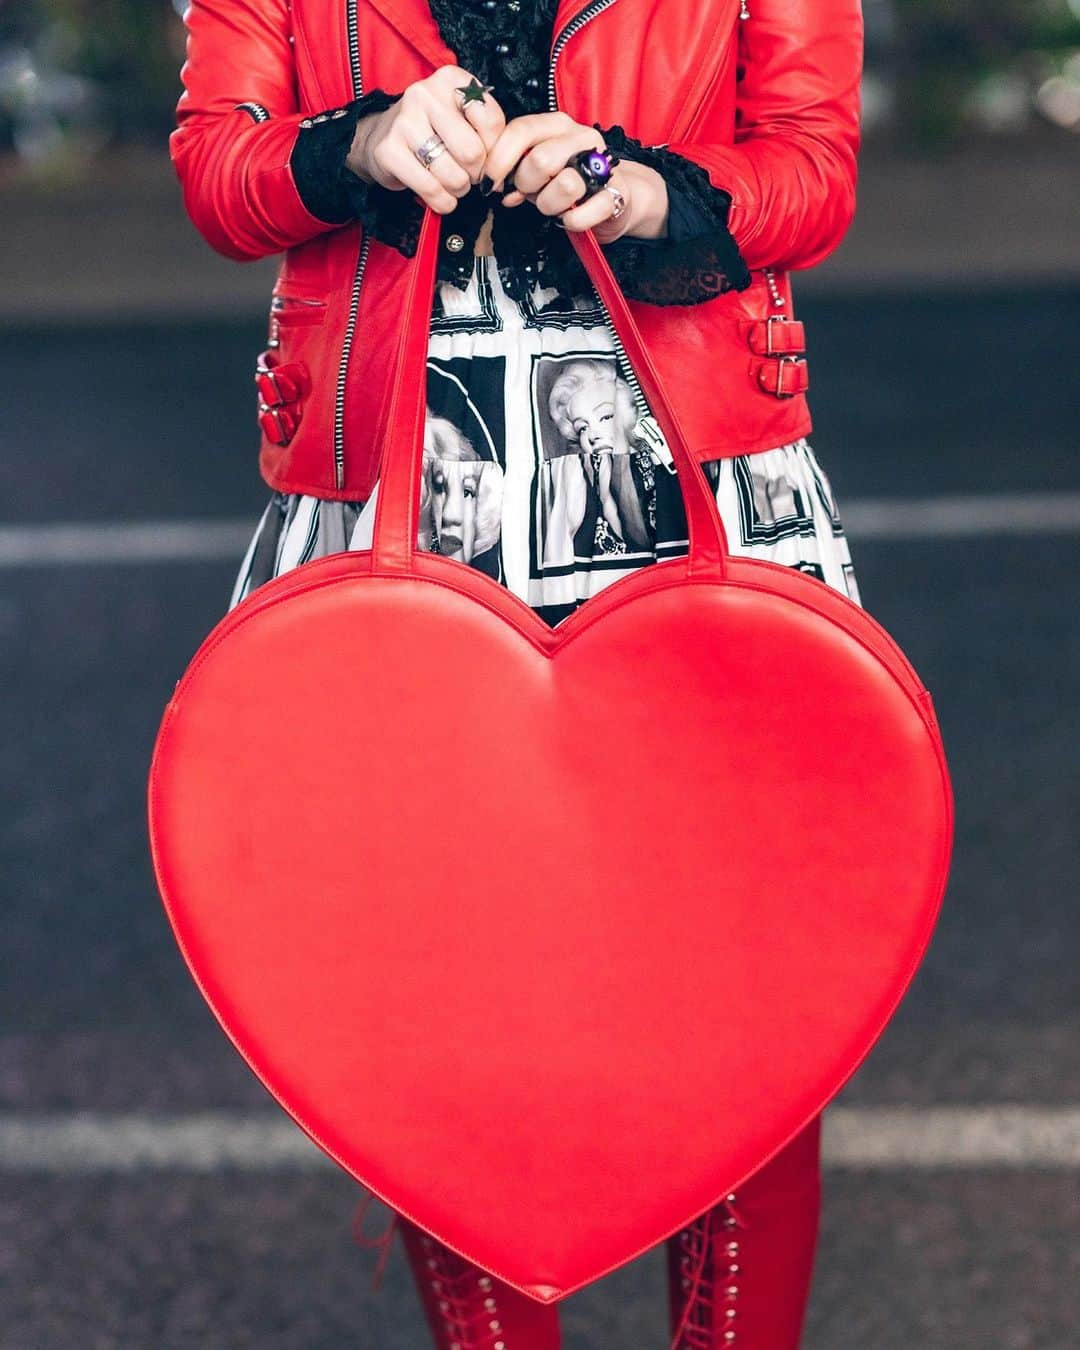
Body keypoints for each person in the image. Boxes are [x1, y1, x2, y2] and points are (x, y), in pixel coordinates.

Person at [172, 1, 864, 1344]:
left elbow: (814, 173)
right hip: (407, 482)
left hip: (682, 473)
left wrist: (642, 185)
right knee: (436, 991)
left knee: (748, 989)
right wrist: (358, 145)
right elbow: (219, 167)